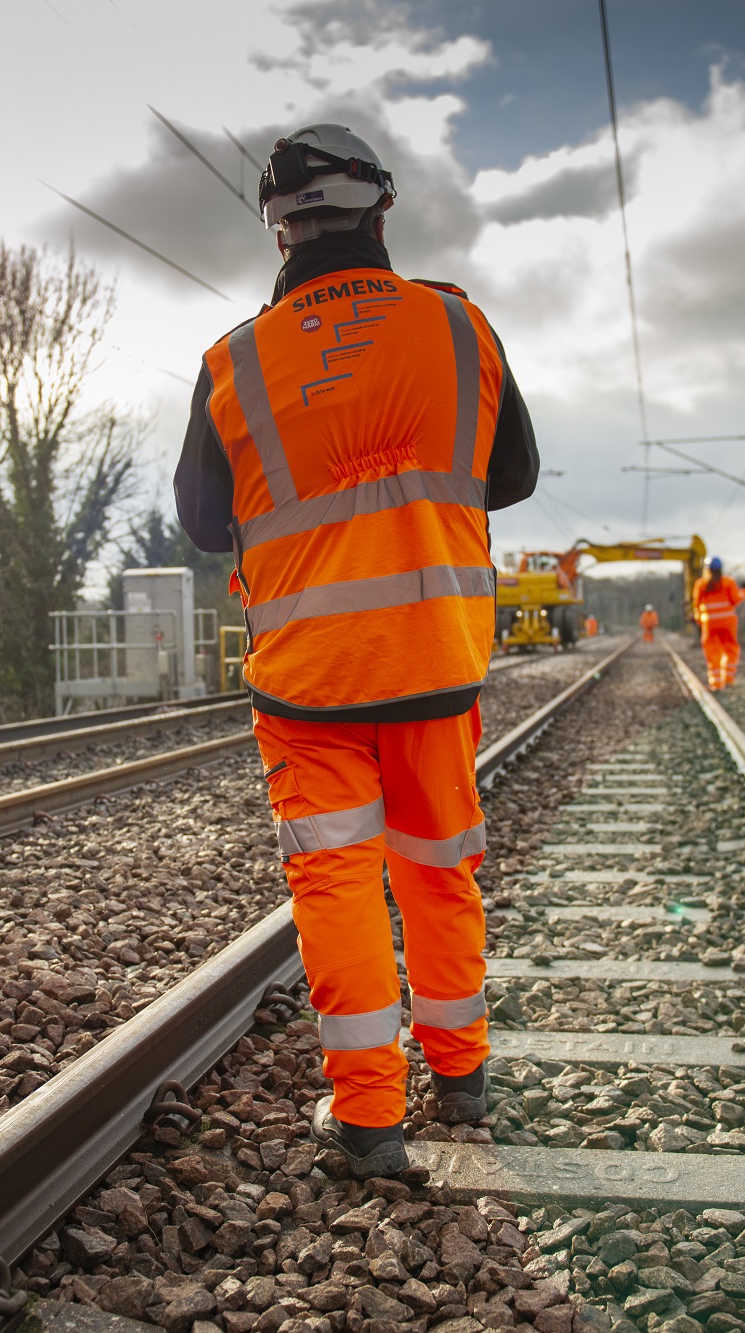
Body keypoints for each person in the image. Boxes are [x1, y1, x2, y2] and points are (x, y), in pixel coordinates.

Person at [176, 124, 537, 1177]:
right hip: (433, 655)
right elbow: (507, 472)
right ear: (379, 210)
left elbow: (204, 522)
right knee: (437, 866)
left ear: (277, 229)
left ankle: (370, 1117)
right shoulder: (457, 323)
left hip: (306, 680)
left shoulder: (233, 361)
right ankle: (461, 1073)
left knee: (333, 884)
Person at [691, 556, 745, 691]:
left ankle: (716, 683)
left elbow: (697, 605)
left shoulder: (701, 585)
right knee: (730, 650)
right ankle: (728, 679)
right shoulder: (728, 582)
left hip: (710, 624)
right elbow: (735, 599)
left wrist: (699, 621)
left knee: (712, 652)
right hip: (728, 623)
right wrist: (744, 591)